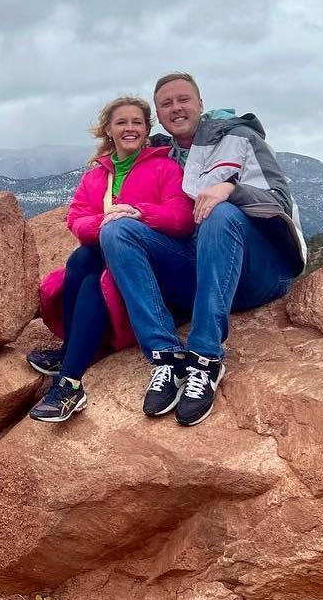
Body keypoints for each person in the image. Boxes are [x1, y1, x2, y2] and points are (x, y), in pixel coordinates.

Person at [98, 71, 307, 426]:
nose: (176, 108)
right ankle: (167, 358)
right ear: (159, 116)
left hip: (259, 271)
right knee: (118, 230)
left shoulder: (239, 138)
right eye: (166, 103)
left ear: (200, 104)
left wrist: (230, 189)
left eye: (183, 99)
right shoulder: (161, 153)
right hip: (202, 273)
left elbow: (280, 201)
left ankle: (205, 358)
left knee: (220, 213)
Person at [26, 95, 195, 422]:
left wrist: (136, 215)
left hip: (153, 272)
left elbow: (181, 219)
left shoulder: (165, 167)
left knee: (95, 268)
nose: (130, 128)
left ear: (147, 129)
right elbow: (76, 220)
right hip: (110, 266)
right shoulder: (96, 177)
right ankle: (70, 369)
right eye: (122, 122)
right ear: (108, 130)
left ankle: (69, 373)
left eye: (137, 122)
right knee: (82, 264)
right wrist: (105, 222)